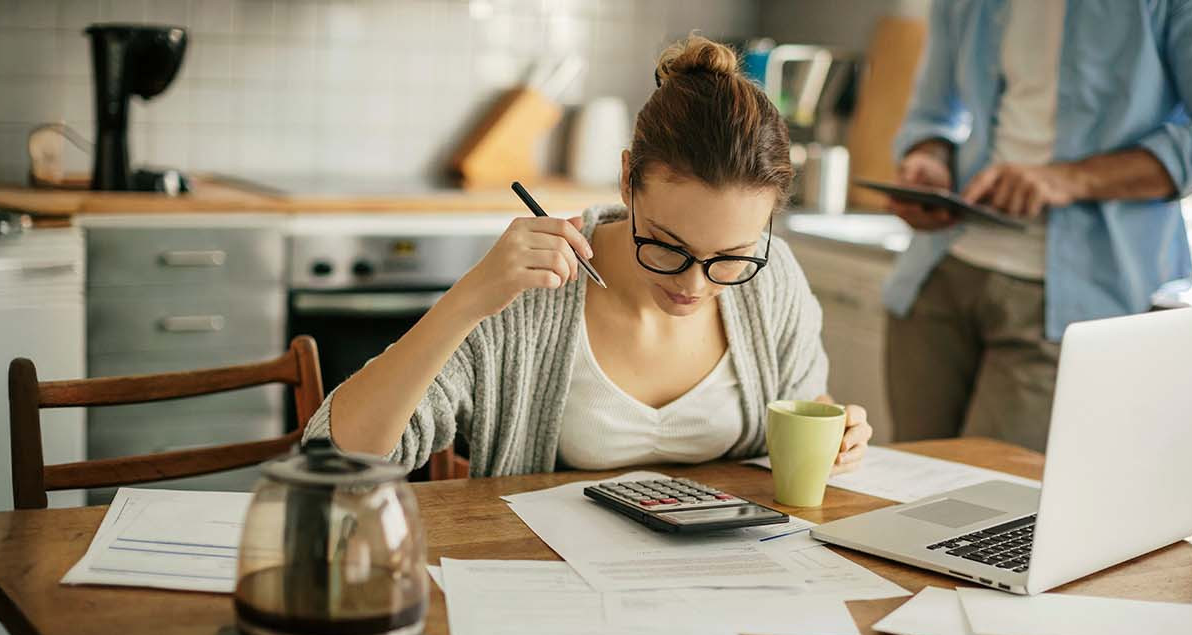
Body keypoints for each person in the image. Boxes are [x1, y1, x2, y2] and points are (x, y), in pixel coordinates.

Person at [303, 36, 872, 476]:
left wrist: (838, 430)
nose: (696, 286)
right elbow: (336, 458)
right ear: (627, 179)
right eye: (670, 247)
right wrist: (468, 300)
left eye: (730, 256)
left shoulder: (773, 284)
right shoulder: (531, 295)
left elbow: (803, 401)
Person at [884, 0, 1192, 451]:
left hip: (1077, 303)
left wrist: (1067, 180)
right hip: (938, 273)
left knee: (995, 503)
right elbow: (933, 111)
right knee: (906, 495)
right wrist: (928, 158)